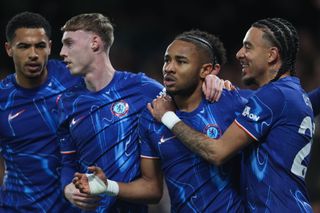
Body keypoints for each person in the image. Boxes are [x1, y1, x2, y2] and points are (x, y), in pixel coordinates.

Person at [148, 18, 315, 212]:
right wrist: (217, 84)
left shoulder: (273, 95)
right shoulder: (294, 95)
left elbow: (217, 152)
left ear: (272, 55)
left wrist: (168, 117)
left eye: (248, 47)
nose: (239, 54)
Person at [72, 29, 246, 212]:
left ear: (206, 70)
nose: (169, 68)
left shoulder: (231, 102)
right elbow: (152, 189)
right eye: (167, 60)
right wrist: (108, 186)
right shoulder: (151, 116)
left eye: (181, 61)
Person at [56, 13, 165, 212]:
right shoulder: (67, 102)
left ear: (95, 43)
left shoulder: (142, 89)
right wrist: (67, 188)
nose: (62, 52)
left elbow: (189, 104)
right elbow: (67, 162)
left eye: (69, 43)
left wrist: (214, 81)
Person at [0, 11, 81, 212]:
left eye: (40, 46)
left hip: (73, 206)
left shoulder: (74, 76)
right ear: (9, 49)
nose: (33, 54)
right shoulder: (2, 99)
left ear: (50, 47)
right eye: (24, 46)